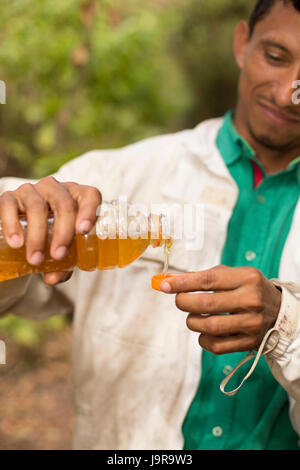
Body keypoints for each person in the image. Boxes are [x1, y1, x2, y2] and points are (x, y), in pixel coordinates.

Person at [0, 0, 300, 450]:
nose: (285, 93)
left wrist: (285, 324)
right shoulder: (126, 174)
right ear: (242, 44)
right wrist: (13, 229)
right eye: (275, 57)